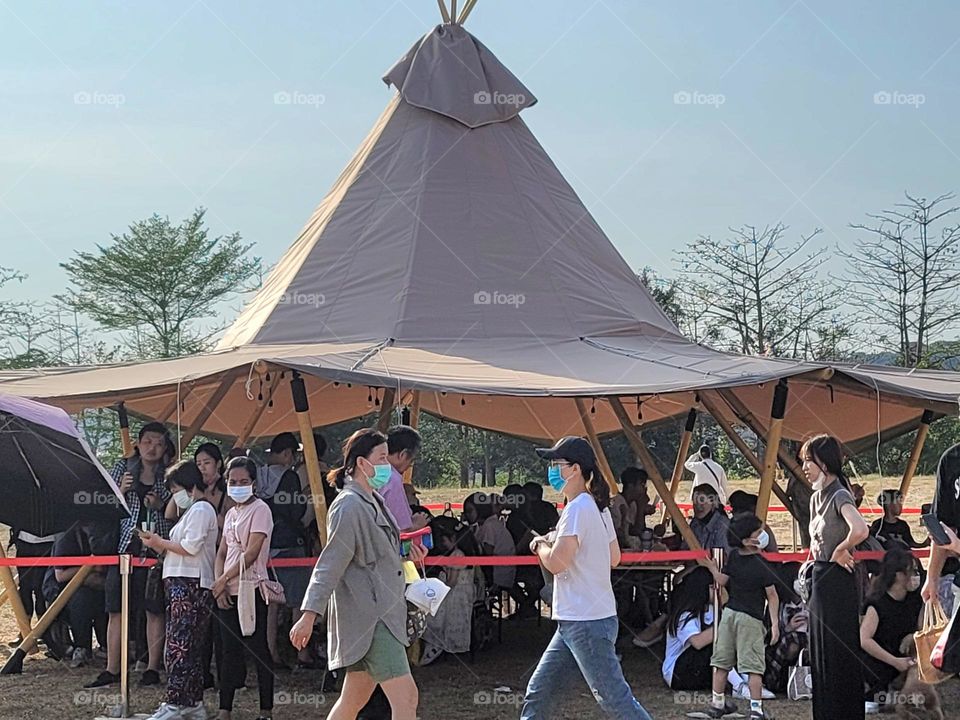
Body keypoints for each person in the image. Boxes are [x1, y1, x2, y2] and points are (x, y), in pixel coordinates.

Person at [289, 428, 424, 720]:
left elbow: (377, 552)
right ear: (362, 463)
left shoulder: (371, 499)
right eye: (382, 458)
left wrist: (406, 553)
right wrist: (309, 615)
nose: (388, 464)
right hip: (372, 619)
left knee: (352, 701)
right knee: (406, 697)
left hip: (377, 615)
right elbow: (330, 564)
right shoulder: (349, 506)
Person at [520, 436, 652, 720]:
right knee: (539, 693)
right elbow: (614, 557)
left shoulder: (577, 508)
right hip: (583, 619)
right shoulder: (597, 506)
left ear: (575, 469)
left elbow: (557, 563)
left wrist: (539, 545)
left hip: (584, 621)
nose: (552, 470)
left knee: (615, 701)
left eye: (557, 464)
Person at [87, 422, 173, 689]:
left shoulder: (168, 474)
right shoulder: (122, 468)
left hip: (156, 549)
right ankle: (112, 668)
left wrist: (160, 505)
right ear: (138, 443)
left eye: (159, 443)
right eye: (148, 441)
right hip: (124, 548)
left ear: (165, 448)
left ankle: (152, 668)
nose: (152, 448)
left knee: (154, 610)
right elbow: (101, 504)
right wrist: (120, 491)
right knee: (116, 609)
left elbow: (177, 510)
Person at [139, 461, 219, 720]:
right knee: (186, 645)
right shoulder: (194, 511)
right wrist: (157, 544)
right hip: (182, 580)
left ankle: (176, 702)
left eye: (175, 490)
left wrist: (160, 542)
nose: (175, 496)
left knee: (180, 646)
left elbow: (190, 547)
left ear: (189, 486)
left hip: (190, 583)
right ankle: (191, 701)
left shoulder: (201, 509)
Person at [803, 434, 869, 720]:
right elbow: (815, 542)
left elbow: (860, 529)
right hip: (818, 579)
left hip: (838, 582)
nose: (804, 468)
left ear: (824, 463)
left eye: (809, 461)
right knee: (820, 652)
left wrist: (841, 549)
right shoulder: (815, 497)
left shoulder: (839, 494)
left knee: (838, 653)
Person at [212, 455, 275, 720]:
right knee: (229, 651)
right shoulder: (230, 514)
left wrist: (223, 579)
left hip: (251, 588)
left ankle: (265, 710)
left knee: (258, 649)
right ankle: (224, 709)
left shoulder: (261, 510)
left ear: (253, 483)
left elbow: (251, 553)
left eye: (243, 481)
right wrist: (220, 583)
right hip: (228, 589)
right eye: (233, 481)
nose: (238, 486)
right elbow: (222, 552)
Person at [706, 513, 779, 720]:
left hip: (729, 615)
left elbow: (722, 580)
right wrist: (775, 624)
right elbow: (772, 596)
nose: (763, 535)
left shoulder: (735, 557)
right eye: (759, 532)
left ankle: (717, 704)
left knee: (721, 662)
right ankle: (756, 710)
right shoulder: (762, 564)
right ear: (747, 540)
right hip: (751, 619)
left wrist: (712, 568)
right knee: (753, 667)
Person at [261, 432, 309, 670]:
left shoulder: (258, 475)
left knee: (272, 603)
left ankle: (271, 652)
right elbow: (294, 511)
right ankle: (301, 653)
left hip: (265, 545)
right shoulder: (289, 477)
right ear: (288, 454)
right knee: (298, 601)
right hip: (289, 544)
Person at [860, 547, 924, 713]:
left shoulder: (916, 600)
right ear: (898, 575)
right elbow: (865, 640)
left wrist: (913, 636)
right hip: (880, 659)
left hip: (906, 657)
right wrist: (895, 662)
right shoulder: (877, 602)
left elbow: (923, 630)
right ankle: (879, 695)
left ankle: (902, 693)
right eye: (912, 571)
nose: (916, 575)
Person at [52, 521, 113, 668]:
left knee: (107, 597)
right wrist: (89, 568)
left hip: (100, 585)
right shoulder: (67, 538)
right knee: (81, 599)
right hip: (68, 590)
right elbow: (60, 576)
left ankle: (106, 645)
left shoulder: (107, 535)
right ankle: (82, 646)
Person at [420, 516, 476, 665]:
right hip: (461, 592)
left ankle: (436, 644)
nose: (443, 544)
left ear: (453, 539)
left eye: (444, 540)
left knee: (433, 612)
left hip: (456, 594)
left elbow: (452, 581)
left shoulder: (457, 555)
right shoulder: (462, 553)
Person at [763, 563, 807, 694]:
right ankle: (773, 682)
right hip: (783, 640)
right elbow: (769, 634)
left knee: (793, 640)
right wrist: (789, 627)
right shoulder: (779, 605)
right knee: (787, 641)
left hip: (808, 640)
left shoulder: (811, 602)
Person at [377, 425, 428, 533]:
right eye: (411, 460)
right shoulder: (391, 478)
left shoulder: (374, 470)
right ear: (403, 455)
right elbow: (401, 529)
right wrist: (418, 524)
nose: (409, 465)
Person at [464, 492, 516, 597]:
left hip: (499, 572)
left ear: (480, 509)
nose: (467, 515)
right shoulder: (487, 524)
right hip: (498, 569)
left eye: (470, 511)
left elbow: (487, 552)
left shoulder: (489, 525)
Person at [610, 467, 652, 549]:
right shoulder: (616, 504)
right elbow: (632, 532)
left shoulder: (633, 504)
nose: (644, 489)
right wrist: (641, 508)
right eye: (642, 485)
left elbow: (640, 530)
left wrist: (642, 511)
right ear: (630, 485)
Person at [688, 484, 729, 551]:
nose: (698, 506)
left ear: (713, 503)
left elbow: (721, 555)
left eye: (702, 501)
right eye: (694, 502)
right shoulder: (695, 524)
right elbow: (685, 547)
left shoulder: (723, 526)